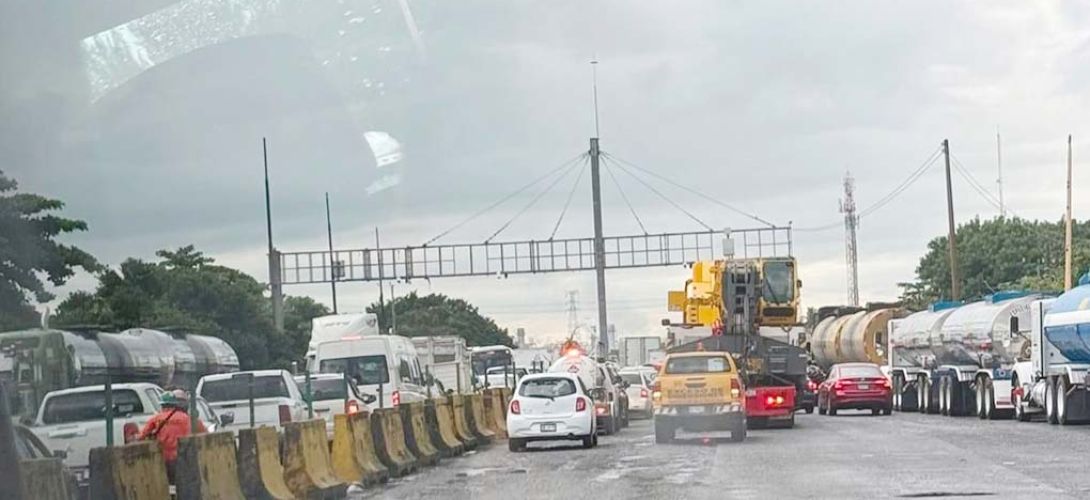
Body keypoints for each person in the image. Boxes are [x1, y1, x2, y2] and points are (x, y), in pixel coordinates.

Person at [138, 390, 206, 483]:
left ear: (162, 405)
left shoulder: (156, 419)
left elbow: (141, 436)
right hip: (184, 459)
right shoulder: (187, 418)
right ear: (175, 404)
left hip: (163, 459)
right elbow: (205, 434)